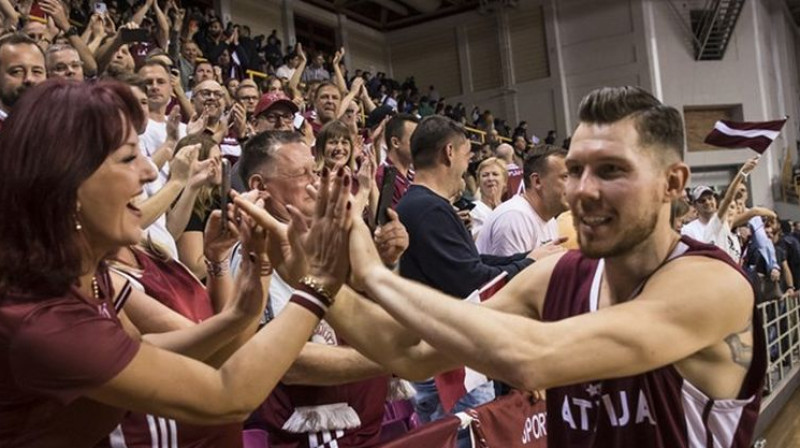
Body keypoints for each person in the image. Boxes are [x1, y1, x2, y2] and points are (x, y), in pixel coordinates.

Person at [316, 86, 765, 447]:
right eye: (575, 171)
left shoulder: (714, 285)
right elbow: (412, 357)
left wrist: (372, 273)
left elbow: (533, 359)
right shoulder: (554, 276)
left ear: (672, 183)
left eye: (611, 170)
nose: (583, 191)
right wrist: (317, 280)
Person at [0, 79, 353, 447]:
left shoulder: (88, 273)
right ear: (66, 184)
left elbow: (144, 351)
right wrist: (318, 284)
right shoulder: (42, 318)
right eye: (127, 157)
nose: (151, 172)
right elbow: (227, 396)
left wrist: (241, 312)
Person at [476, 145, 568, 256]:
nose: (575, 184)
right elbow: (509, 273)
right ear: (537, 181)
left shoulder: (550, 220)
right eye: (565, 177)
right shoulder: (513, 218)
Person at [469, 157, 507, 239]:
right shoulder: (472, 209)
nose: (490, 178)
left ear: (505, 181)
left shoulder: (509, 209)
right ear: (478, 182)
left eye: (495, 174)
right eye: (485, 175)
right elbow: (471, 240)